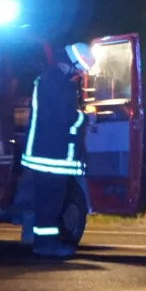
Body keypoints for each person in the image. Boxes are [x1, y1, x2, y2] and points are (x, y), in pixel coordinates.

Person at [18, 42, 96, 258]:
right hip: (51, 155)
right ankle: (45, 244)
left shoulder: (50, 80)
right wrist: (85, 118)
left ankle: (44, 242)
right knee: (50, 202)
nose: (80, 74)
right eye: (79, 69)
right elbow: (64, 117)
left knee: (49, 201)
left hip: (47, 153)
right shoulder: (57, 84)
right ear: (72, 63)